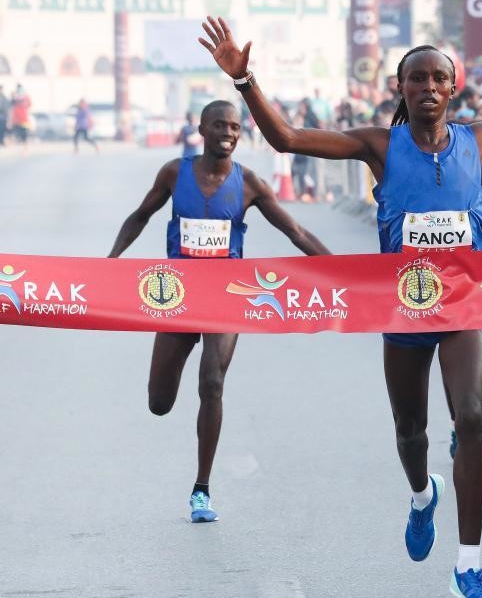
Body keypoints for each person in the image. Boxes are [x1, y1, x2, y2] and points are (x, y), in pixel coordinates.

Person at [198, 0, 482, 598]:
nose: (428, 87)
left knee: (471, 419)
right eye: (417, 78)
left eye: (437, 78)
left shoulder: (480, 139)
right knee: (410, 432)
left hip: (464, 308)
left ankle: (469, 566)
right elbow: (287, 139)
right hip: (401, 310)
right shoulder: (380, 145)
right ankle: (423, 494)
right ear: (401, 89)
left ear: (453, 88)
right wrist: (245, 80)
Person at [108, 100, 330, 523]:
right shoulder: (174, 173)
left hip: (227, 298)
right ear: (201, 130)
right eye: (219, 126)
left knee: (212, 383)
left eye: (234, 127)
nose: (228, 133)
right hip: (176, 296)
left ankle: (201, 490)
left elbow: (296, 231)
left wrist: (343, 273)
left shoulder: (250, 184)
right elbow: (140, 216)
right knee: (159, 402)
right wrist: (110, 262)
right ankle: (189, 460)